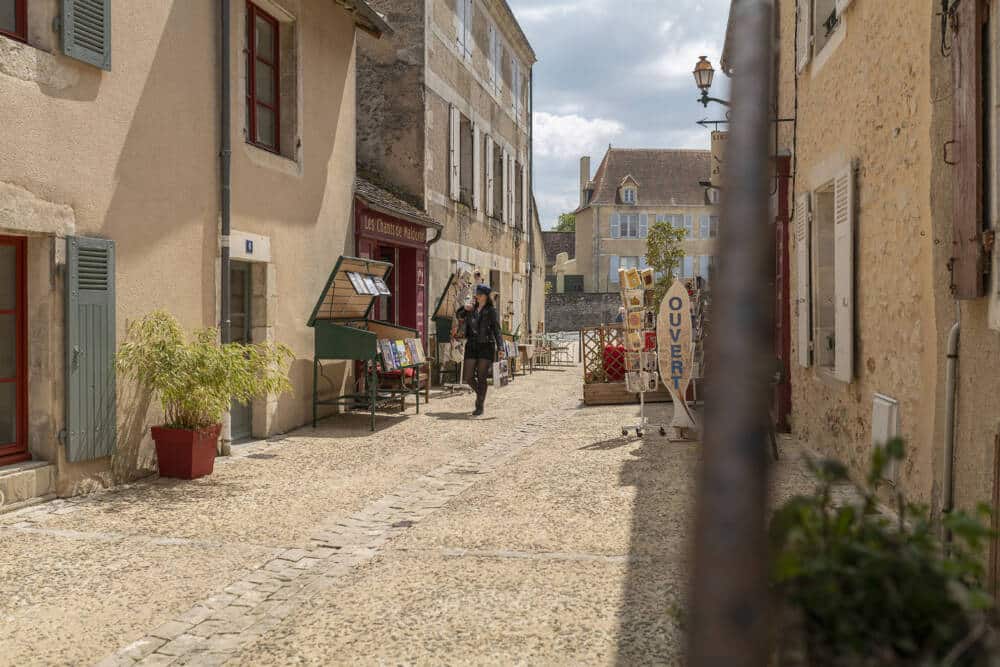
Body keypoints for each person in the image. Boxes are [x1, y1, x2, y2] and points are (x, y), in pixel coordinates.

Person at [455, 284, 505, 416]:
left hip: (486, 346)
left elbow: (496, 330)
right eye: (477, 294)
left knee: (482, 377)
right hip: (471, 345)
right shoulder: (472, 308)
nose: (477, 296)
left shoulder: (491, 310)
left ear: (485, 296)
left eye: (479, 294)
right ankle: (481, 394)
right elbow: (458, 315)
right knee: (468, 376)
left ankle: (479, 405)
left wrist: (500, 347)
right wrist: (464, 308)